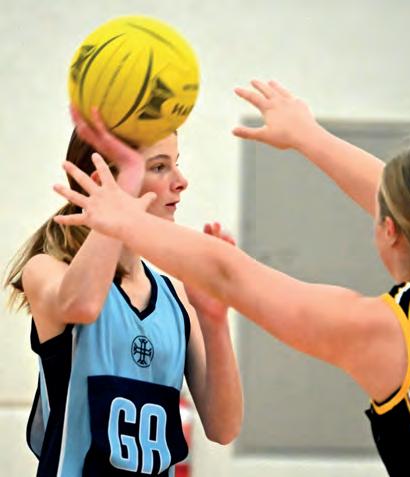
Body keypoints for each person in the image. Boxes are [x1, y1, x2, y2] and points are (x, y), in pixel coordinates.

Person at [51, 80, 410, 474]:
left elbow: (227, 274)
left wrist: (125, 219)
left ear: (390, 230)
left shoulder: (386, 332)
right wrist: (309, 137)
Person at [4, 107, 243, 477]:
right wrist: (116, 208)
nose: (181, 181)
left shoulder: (176, 296)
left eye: (176, 164)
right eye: (159, 167)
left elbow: (224, 427)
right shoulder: (46, 270)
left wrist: (215, 321)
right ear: (106, 181)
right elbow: (84, 305)